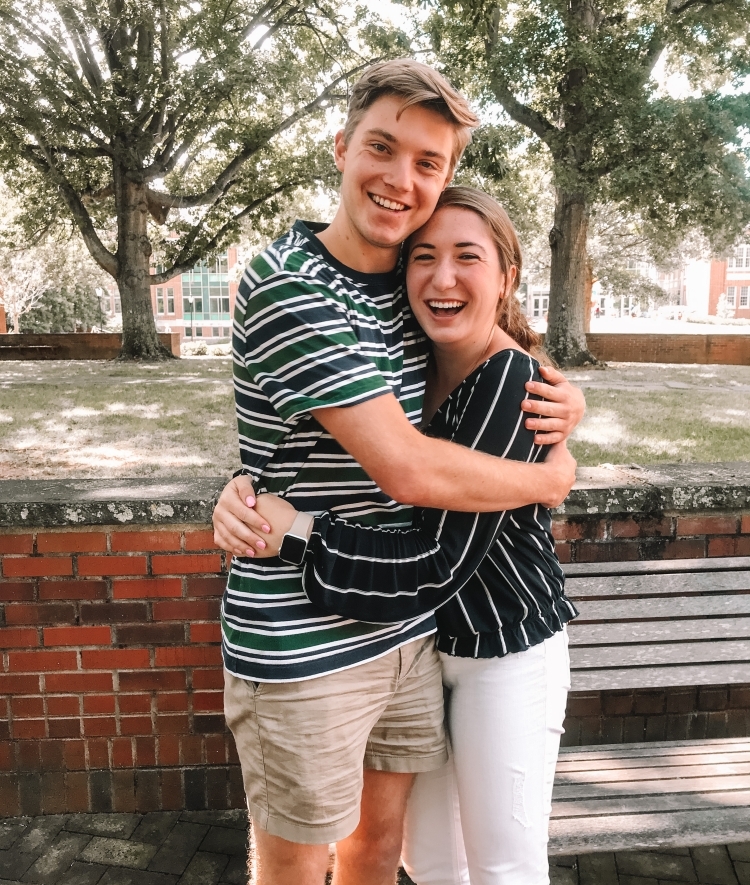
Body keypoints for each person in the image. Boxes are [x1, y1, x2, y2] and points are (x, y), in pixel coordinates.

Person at [212, 59, 585, 885]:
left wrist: (566, 409)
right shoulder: (290, 285)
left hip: (410, 631)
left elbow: (492, 350)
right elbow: (405, 465)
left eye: (429, 162)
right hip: (304, 637)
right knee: (297, 865)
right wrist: (553, 479)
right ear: (342, 147)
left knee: (382, 852)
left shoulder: (407, 285)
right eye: (382, 147)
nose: (400, 178)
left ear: (448, 175)